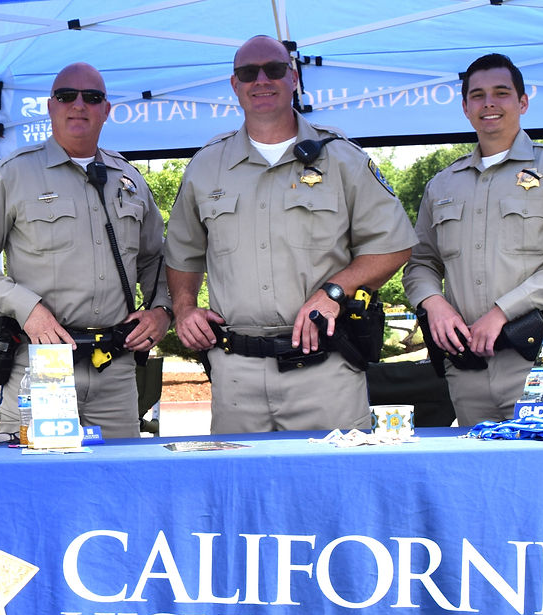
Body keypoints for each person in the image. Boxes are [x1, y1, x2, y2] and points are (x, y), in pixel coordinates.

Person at [164, 35, 416, 434]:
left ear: (293, 77)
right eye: (248, 72)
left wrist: (334, 291)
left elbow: (394, 244)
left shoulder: (343, 159)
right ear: (234, 85)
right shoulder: (205, 166)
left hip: (324, 372)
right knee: (241, 492)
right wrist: (184, 308)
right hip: (236, 376)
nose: (261, 80)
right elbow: (182, 253)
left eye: (274, 70)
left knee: (334, 491)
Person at [0, 62, 172, 439]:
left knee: (120, 485)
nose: (79, 104)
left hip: (115, 370)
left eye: (93, 97)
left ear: (107, 110)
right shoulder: (15, 173)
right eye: (67, 96)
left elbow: (156, 260)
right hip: (41, 367)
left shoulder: (130, 179)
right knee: (35, 488)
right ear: (51, 107)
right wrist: (27, 308)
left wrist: (163, 311)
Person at [403, 53, 543, 426]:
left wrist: (502, 311)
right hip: (468, 369)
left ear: (522, 102)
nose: (489, 103)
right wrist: (433, 302)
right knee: (482, 479)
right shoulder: (442, 185)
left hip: (542, 358)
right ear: (465, 107)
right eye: (477, 95)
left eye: (501, 93)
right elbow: (421, 263)